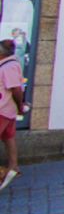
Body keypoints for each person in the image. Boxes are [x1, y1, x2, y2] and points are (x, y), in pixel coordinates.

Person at [0, 40, 27, 191]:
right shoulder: (7, 64)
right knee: (8, 138)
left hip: (3, 109)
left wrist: (20, 106)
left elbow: (16, 89)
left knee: (8, 137)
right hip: (7, 109)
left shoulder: (9, 66)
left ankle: (8, 171)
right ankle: (13, 166)